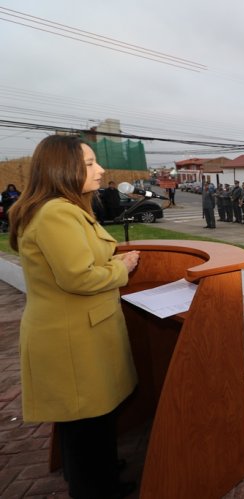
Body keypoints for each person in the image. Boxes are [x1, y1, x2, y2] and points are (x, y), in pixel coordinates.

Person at [9, 135, 139, 499]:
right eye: (88, 165)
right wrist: (122, 267)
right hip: (72, 338)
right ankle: (96, 488)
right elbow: (79, 276)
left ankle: (95, 474)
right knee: (88, 423)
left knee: (81, 423)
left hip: (72, 332)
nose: (99, 171)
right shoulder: (57, 212)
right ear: (60, 168)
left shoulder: (59, 208)